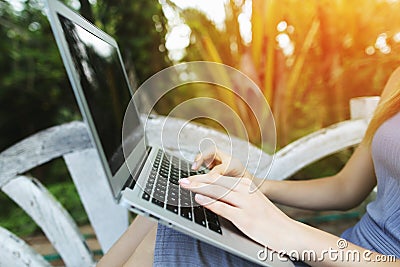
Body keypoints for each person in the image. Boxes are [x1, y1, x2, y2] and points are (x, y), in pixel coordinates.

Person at [98, 67, 400, 267]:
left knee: (162, 249)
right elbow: (345, 188)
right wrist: (256, 184)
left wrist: (287, 233)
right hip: (334, 252)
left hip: (326, 252)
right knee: (166, 211)